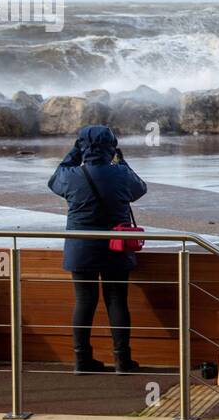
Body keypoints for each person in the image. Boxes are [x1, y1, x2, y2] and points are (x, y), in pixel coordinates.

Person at [47, 125, 148, 373]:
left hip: (81, 248)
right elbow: (140, 188)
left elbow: (54, 179)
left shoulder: (71, 175)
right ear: (111, 146)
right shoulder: (120, 173)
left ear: (82, 147)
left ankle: (82, 360)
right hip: (116, 246)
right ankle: (122, 361)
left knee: (84, 301)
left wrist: (75, 152)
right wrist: (121, 160)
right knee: (117, 301)